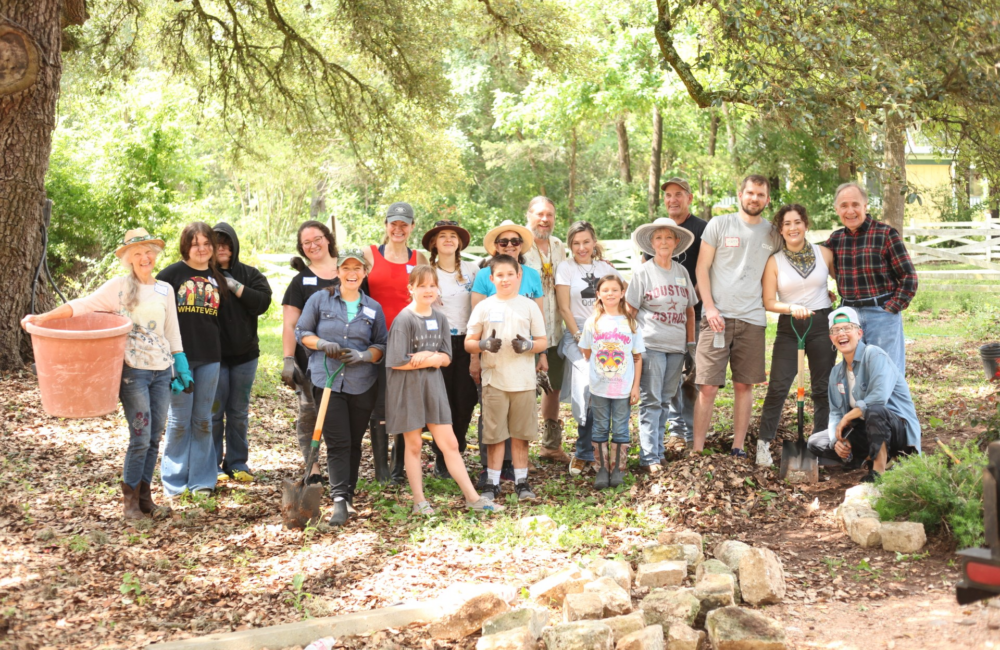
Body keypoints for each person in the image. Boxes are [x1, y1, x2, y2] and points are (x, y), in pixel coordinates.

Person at [21, 228, 184, 519]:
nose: (144, 257)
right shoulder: (118, 288)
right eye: (137, 254)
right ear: (129, 259)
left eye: (148, 252)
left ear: (155, 255)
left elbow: (171, 331)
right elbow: (81, 306)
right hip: (133, 372)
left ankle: (146, 499)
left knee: (155, 438)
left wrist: (180, 363)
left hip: (162, 372)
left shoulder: (165, 289)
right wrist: (41, 318)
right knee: (140, 437)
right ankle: (130, 503)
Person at [387, 265, 503, 514]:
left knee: (450, 443)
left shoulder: (440, 318)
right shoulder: (404, 319)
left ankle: (473, 498)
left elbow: (447, 357)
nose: (428, 290)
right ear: (411, 289)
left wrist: (428, 356)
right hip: (408, 388)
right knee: (414, 445)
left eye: (432, 285)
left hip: (433, 386)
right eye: (422, 286)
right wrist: (433, 358)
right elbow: (397, 361)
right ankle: (419, 501)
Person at [296, 250, 387, 525]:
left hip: (362, 383)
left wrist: (363, 355)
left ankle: (348, 495)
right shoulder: (320, 299)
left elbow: (381, 345)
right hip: (327, 380)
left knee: (354, 442)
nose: (351, 273)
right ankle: (338, 501)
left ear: (364, 273)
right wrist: (322, 344)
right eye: (346, 268)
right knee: (338, 441)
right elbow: (302, 332)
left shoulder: (373, 307)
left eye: (357, 268)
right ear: (338, 272)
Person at [693, 175, 782, 456]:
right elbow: (701, 269)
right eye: (750, 193)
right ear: (740, 195)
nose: (754, 198)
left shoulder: (773, 234)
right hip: (716, 318)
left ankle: (738, 447)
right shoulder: (719, 224)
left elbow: (784, 272)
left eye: (760, 194)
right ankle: (697, 450)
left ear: (767, 200)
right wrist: (709, 307)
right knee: (707, 386)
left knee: (744, 385)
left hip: (753, 319)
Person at [757, 205, 838, 466]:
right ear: (780, 230)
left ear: (806, 224)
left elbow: (840, 283)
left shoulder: (824, 253)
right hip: (789, 327)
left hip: (821, 325)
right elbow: (769, 301)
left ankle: (821, 444)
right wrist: (792, 307)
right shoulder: (775, 261)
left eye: (798, 222)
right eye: (787, 224)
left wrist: (832, 298)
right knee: (778, 386)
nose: (793, 228)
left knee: (822, 388)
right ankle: (763, 445)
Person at [807, 307, 921, 483]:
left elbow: (878, 399)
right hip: (868, 429)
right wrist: (835, 440)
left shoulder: (874, 355)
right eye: (836, 331)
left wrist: (848, 417)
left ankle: (878, 473)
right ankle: (882, 459)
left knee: (873, 410)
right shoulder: (837, 372)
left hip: (897, 431)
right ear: (831, 339)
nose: (841, 334)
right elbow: (836, 413)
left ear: (859, 333)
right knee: (816, 442)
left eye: (847, 328)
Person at [466, 255, 547, 503]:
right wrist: (483, 344)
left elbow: (543, 341)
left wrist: (529, 345)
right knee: (494, 434)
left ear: (518, 276)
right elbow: (468, 343)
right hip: (494, 380)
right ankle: (492, 482)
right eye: (499, 275)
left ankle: (521, 482)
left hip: (523, 381)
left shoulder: (529, 306)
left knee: (520, 435)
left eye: (510, 274)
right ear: (491, 278)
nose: (505, 279)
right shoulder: (484, 306)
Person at [157, 222, 229, 496]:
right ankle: (174, 484)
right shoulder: (170, 275)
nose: (201, 248)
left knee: (203, 420)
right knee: (178, 421)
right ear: (185, 246)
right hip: (178, 358)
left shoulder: (216, 278)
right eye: (195, 243)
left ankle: (202, 481)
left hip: (210, 356)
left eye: (206, 243)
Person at [364, 202, 430, 484]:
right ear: (386, 225)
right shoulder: (370, 254)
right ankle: (381, 472)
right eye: (394, 224)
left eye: (404, 224)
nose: (399, 229)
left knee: (407, 404)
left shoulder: (420, 257)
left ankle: (399, 468)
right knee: (379, 405)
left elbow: (427, 297)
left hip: (409, 340)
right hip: (376, 339)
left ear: (412, 227)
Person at [626, 218, 697, 474]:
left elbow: (690, 311)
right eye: (659, 238)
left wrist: (690, 345)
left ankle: (658, 451)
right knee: (651, 400)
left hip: (676, 348)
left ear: (676, 242)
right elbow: (630, 311)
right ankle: (649, 457)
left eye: (669, 237)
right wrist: (631, 347)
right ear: (651, 243)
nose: (664, 242)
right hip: (651, 345)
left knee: (665, 399)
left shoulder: (681, 272)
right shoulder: (643, 272)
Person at [824, 182, 918, 375]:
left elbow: (909, 277)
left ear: (865, 206)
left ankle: (893, 407)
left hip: (881, 314)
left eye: (855, 204)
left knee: (887, 374)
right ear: (836, 209)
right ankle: (861, 407)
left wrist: (891, 308)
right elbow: (814, 265)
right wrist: (819, 291)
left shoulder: (885, 234)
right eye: (844, 205)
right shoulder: (835, 239)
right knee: (857, 376)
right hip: (849, 317)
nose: (850, 211)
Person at [556, 221, 624, 476]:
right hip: (577, 332)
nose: (581, 247)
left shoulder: (606, 267)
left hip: (607, 332)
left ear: (594, 241)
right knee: (586, 384)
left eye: (586, 242)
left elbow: (621, 295)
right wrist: (579, 338)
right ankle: (584, 450)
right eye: (576, 243)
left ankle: (601, 450)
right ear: (570, 245)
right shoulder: (566, 268)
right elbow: (564, 308)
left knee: (607, 387)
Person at [211, 222, 273, 483]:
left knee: (237, 412)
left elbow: (262, 303)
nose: (222, 248)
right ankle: (211, 465)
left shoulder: (250, 274)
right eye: (217, 243)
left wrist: (234, 285)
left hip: (245, 356)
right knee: (213, 413)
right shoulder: (201, 275)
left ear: (234, 246)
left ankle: (237, 463)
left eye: (227, 243)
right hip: (212, 358)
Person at [280, 221, 339, 485]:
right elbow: (290, 324)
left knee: (340, 418)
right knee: (309, 415)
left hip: (348, 361)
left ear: (328, 239)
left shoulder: (349, 269)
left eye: (317, 239)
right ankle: (313, 468)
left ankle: (342, 470)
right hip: (311, 362)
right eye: (306, 243)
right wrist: (289, 360)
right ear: (302, 248)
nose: (313, 245)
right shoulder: (300, 281)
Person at [422, 220, 480, 479]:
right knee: (440, 401)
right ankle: (442, 457)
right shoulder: (426, 272)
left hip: (467, 341)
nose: (448, 239)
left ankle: (457, 450)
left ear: (460, 242)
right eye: (442, 236)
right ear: (434, 243)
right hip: (437, 342)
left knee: (465, 399)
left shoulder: (473, 270)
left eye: (453, 236)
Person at [580, 275, 644, 489]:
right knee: (599, 427)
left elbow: (637, 357)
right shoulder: (593, 322)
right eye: (605, 290)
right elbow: (587, 351)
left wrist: (635, 386)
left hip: (623, 388)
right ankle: (602, 470)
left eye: (614, 290)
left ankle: (618, 469)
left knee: (620, 428)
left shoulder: (630, 323)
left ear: (622, 293)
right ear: (598, 294)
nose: (610, 294)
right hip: (599, 387)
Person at [659, 178, 708, 454]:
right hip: (664, 319)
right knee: (672, 376)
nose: (673, 199)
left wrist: (689, 301)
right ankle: (676, 430)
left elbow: (706, 270)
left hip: (695, 314)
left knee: (694, 375)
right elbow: (648, 267)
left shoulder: (701, 229)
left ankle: (692, 432)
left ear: (689, 198)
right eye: (668, 195)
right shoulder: (659, 229)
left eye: (678, 194)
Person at [522, 197, 572, 463]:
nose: (544, 219)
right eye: (539, 214)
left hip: (554, 329)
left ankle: (551, 446)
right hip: (527, 332)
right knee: (523, 389)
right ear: (529, 215)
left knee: (552, 388)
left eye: (549, 215)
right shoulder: (518, 244)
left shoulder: (558, 245)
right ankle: (518, 450)